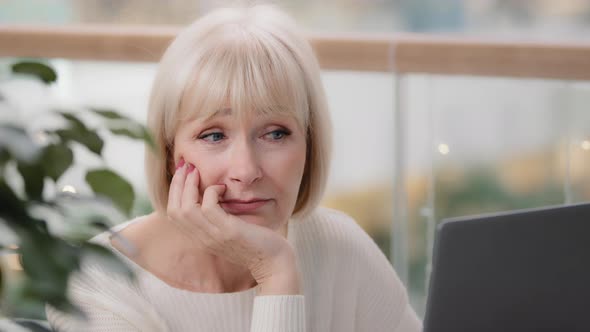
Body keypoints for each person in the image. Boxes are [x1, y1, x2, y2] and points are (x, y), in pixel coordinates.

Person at [46, 3, 422, 331]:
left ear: (310, 145)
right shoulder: (96, 283)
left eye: (275, 133)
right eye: (213, 136)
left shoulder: (340, 247)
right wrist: (275, 272)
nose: (246, 170)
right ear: (169, 151)